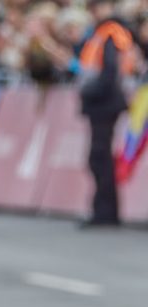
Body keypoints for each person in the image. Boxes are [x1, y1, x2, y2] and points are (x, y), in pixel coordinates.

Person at [78, 0, 136, 227]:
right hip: (103, 102)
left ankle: (105, 212)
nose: (94, 12)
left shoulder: (111, 32)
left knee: (99, 157)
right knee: (99, 157)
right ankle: (105, 211)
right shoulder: (101, 32)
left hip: (105, 102)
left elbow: (110, 72)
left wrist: (89, 91)